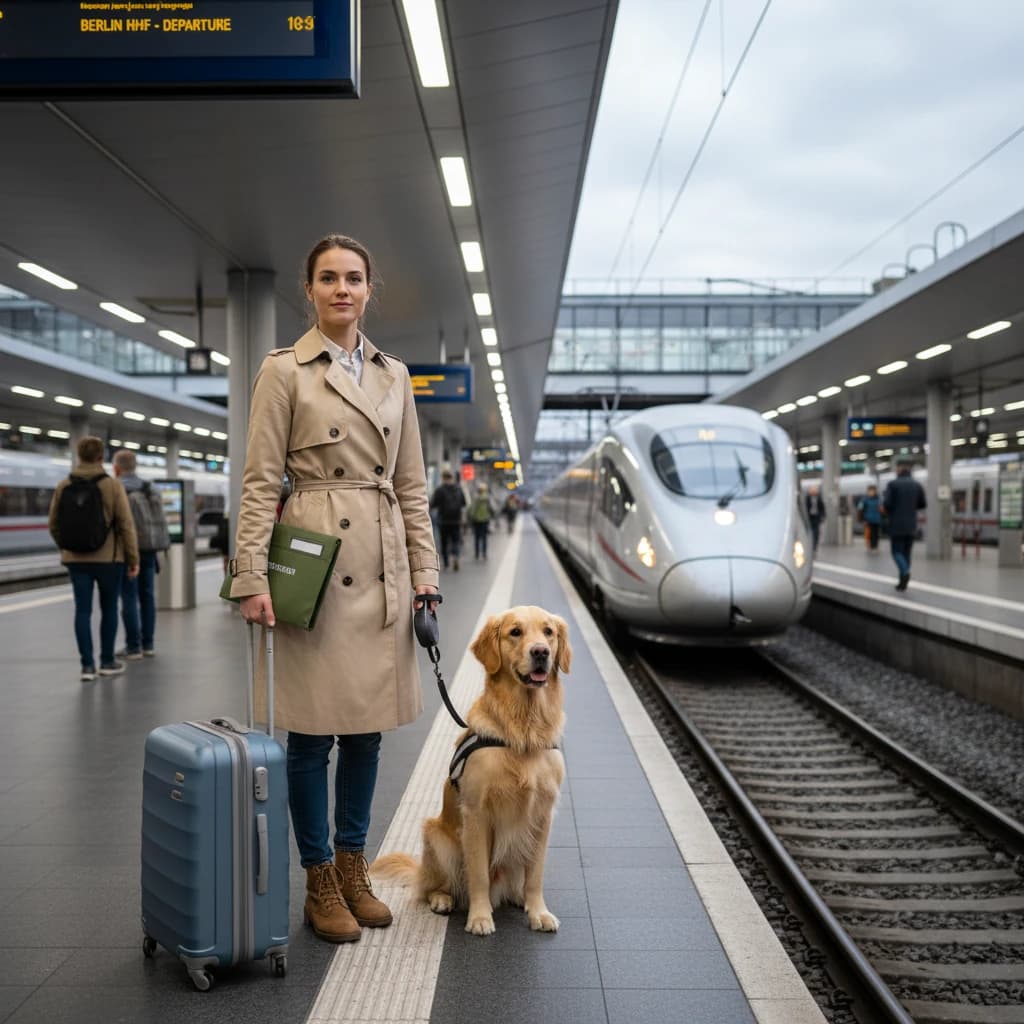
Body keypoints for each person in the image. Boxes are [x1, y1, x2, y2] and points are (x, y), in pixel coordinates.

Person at [229, 234, 439, 945]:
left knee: (366, 733)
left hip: (381, 560)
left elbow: (412, 485)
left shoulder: (394, 375)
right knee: (312, 734)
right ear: (310, 290)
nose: (342, 289)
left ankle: (355, 867)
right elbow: (260, 482)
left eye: (353, 278)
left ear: (369, 289)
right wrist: (251, 575)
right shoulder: (283, 370)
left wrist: (426, 575)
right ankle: (319, 877)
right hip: (315, 564)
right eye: (328, 278)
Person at [48, 436, 139, 681]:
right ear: (101, 457)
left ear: (79, 455)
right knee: (109, 609)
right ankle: (107, 662)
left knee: (82, 610)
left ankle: (87, 666)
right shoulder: (112, 485)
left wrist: (66, 547)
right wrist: (133, 559)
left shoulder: (63, 485)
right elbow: (126, 525)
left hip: (75, 560)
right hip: (109, 560)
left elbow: (53, 524)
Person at [113, 449, 169, 659]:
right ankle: (148, 644)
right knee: (148, 596)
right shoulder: (150, 487)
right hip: (150, 549)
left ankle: (133, 646)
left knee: (129, 596)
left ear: (116, 468)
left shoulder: (118, 488)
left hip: (128, 551)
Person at [882, 460, 926, 591]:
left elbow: (887, 504)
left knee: (896, 552)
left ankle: (905, 573)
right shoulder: (917, 485)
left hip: (896, 524)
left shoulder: (893, 484)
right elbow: (923, 504)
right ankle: (902, 582)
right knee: (906, 553)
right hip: (911, 524)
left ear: (899, 470)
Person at [430, 469, 466, 570]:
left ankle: (446, 563)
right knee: (456, 541)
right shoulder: (458, 489)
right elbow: (464, 503)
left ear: (443, 478)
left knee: (444, 542)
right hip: (456, 520)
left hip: (443, 521)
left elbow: (433, 504)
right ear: (452, 478)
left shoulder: (440, 490)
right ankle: (456, 556)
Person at [467, 482, 494, 560]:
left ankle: (477, 553)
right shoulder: (488, 498)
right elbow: (492, 508)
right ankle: (484, 553)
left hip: (476, 520)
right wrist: (492, 516)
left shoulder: (476, 498)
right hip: (485, 520)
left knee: (477, 537)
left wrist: (470, 518)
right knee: (484, 537)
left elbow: (472, 509)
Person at [857, 484, 882, 553]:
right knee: (870, 533)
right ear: (867, 491)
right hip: (868, 519)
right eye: (870, 491)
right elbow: (860, 508)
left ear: (875, 491)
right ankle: (871, 546)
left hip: (877, 519)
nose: (871, 492)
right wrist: (861, 518)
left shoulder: (878, 499)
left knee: (876, 533)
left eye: (873, 491)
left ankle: (875, 546)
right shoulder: (864, 500)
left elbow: (882, 508)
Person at [804, 486, 825, 552]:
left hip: (816, 517)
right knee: (810, 531)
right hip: (809, 517)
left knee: (816, 532)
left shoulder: (819, 498)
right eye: (812, 491)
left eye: (814, 490)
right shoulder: (807, 498)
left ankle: (814, 545)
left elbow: (822, 508)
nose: (813, 492)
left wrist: (823, 516)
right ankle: (809, 544)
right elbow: (805, 508)